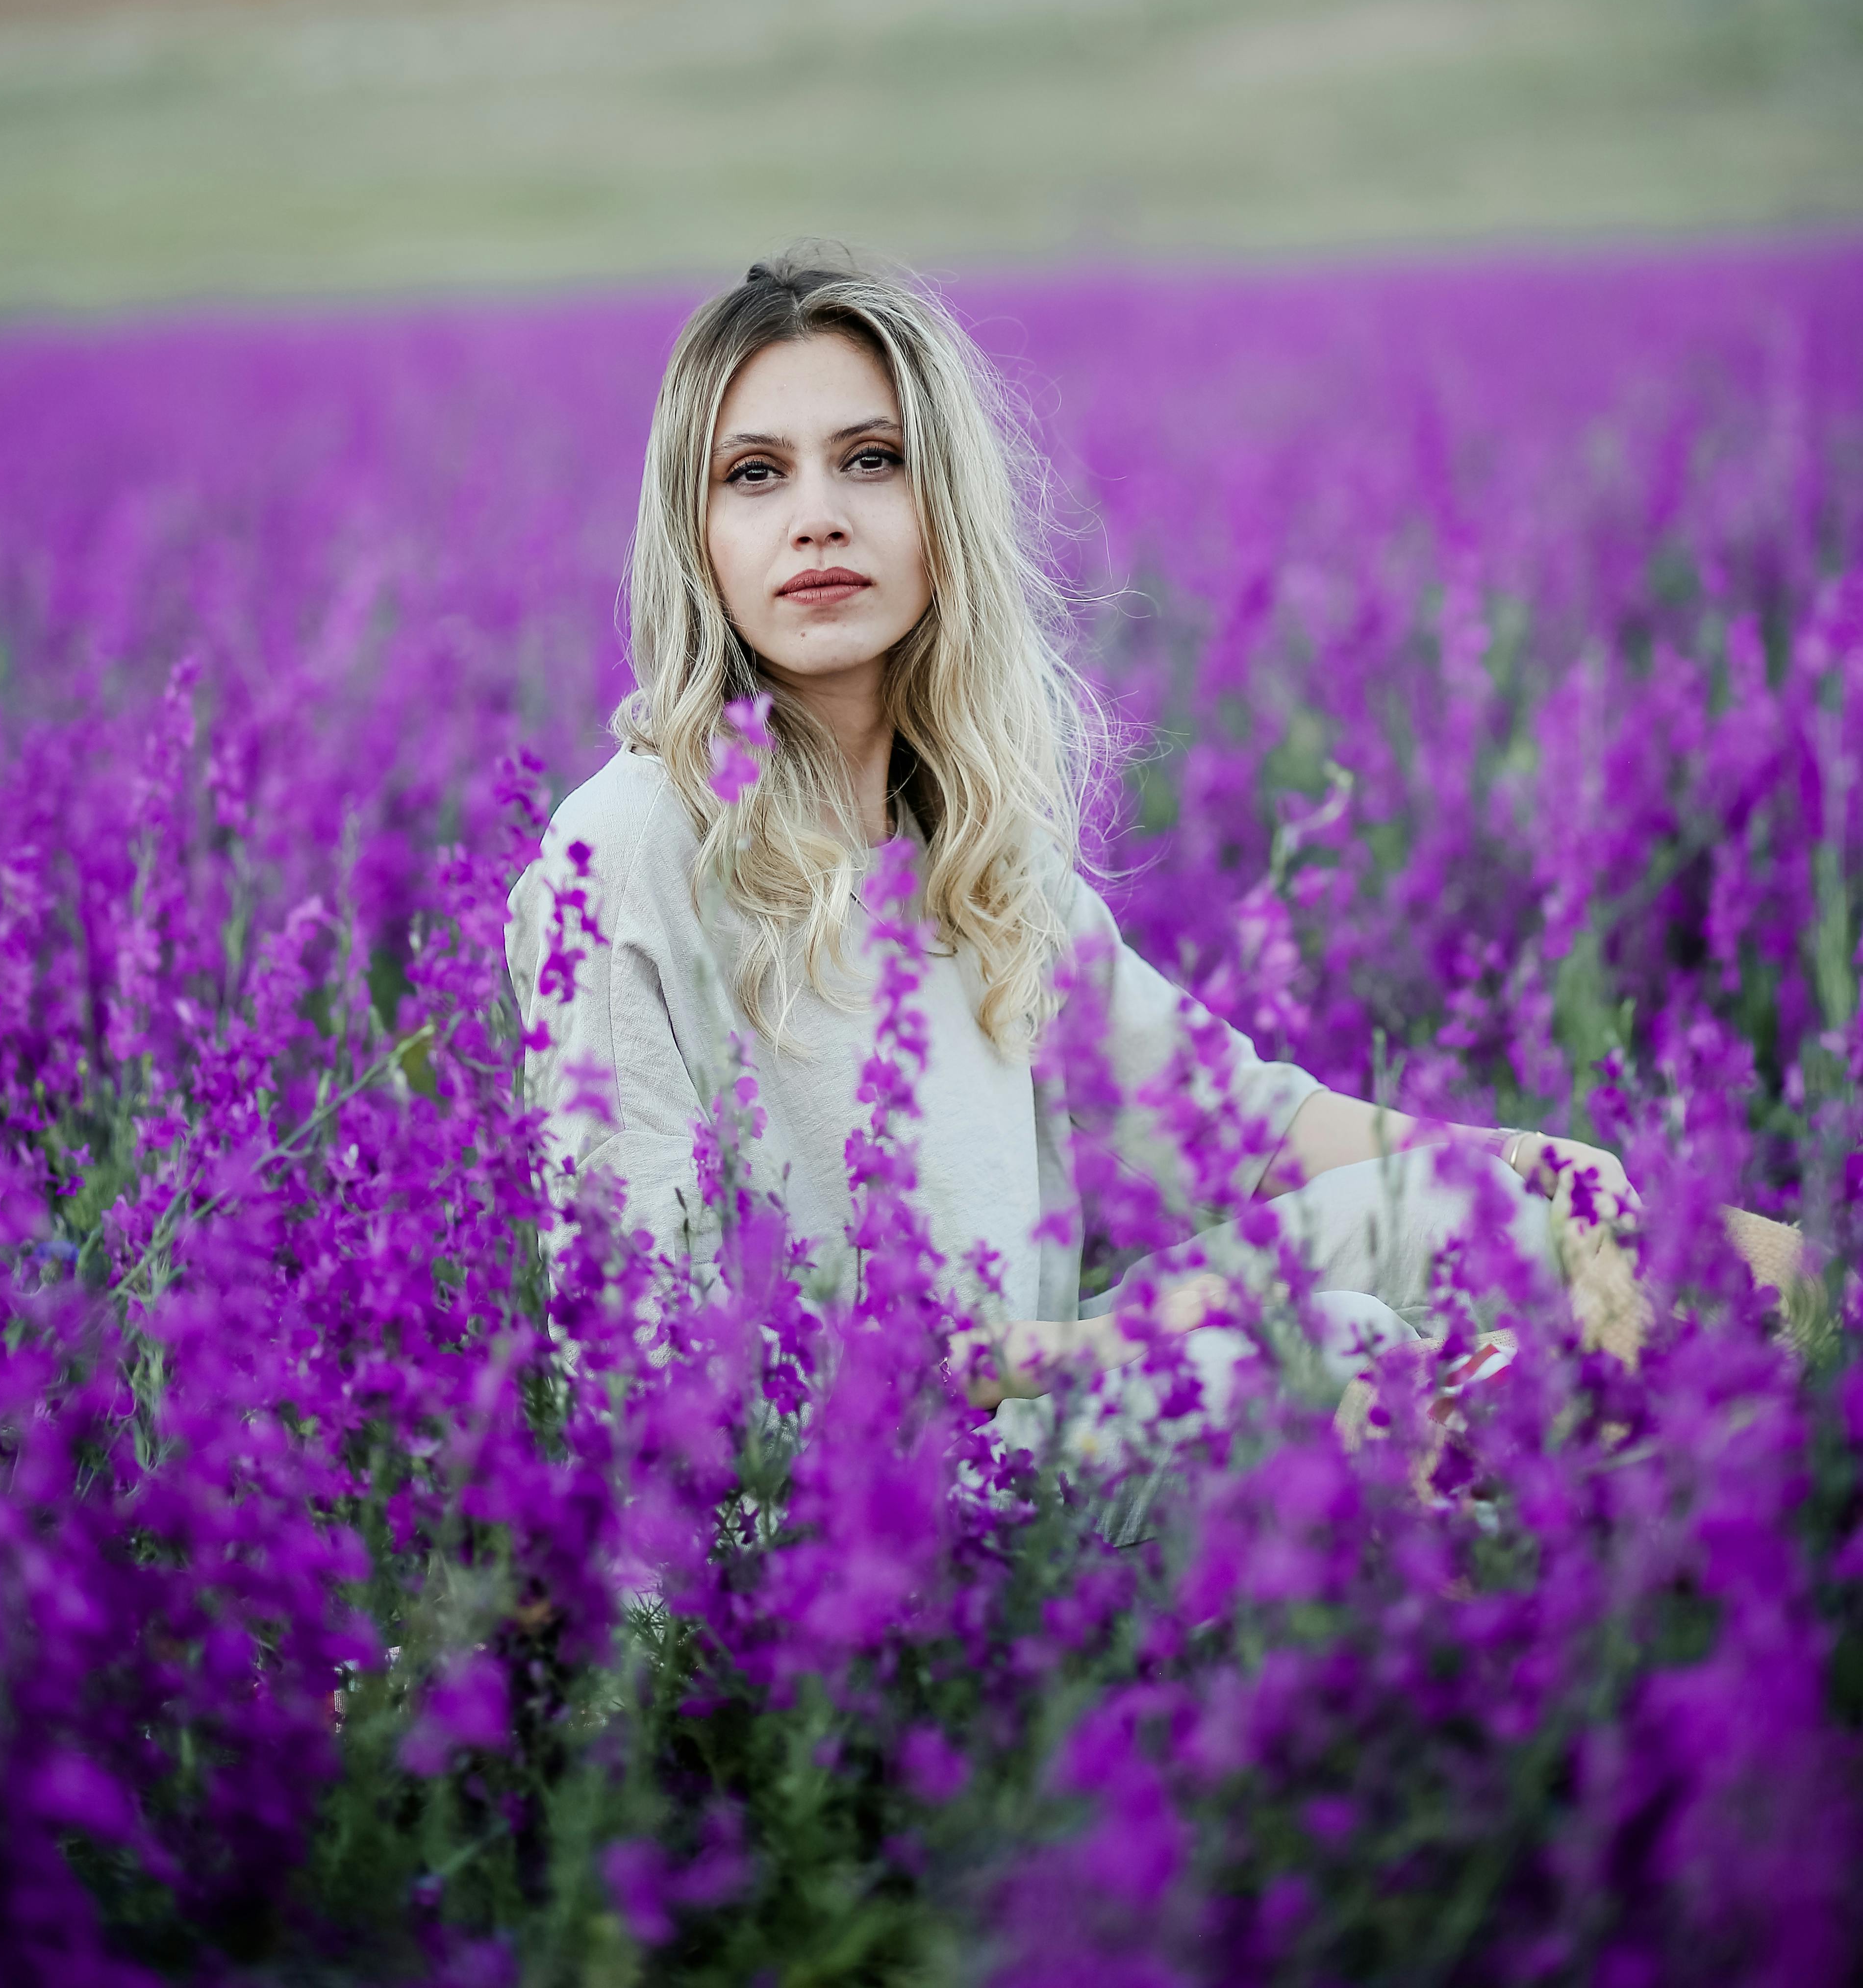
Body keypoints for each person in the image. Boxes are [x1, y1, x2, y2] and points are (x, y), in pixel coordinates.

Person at [506, 249, 1632, 1408]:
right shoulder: (629, 847)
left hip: (1033, 1415)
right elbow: (638, 1351)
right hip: (819, 1516)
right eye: (754, 474)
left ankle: (1543, 1428)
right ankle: (1508, 1463)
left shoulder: (970, 845)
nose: (818, 519)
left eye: (872, 461)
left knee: (1478, 1219)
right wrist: (1104, 1355)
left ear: (945, 513)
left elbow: (1237, 1128)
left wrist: (1525, 1165)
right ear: (697, 540)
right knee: (1326, 1347)